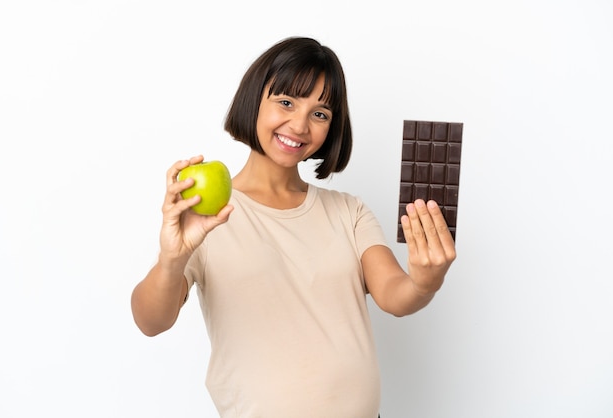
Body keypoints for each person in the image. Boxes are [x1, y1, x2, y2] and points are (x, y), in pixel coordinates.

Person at [131, 36, 456, 418]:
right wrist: (171, 260)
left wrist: (424, 281)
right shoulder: (206, 217)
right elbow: (150, 321)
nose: (300, 125)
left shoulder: (348, 212)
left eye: (320, 114)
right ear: (255, 100)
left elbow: (395, 296)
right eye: (286, 102)